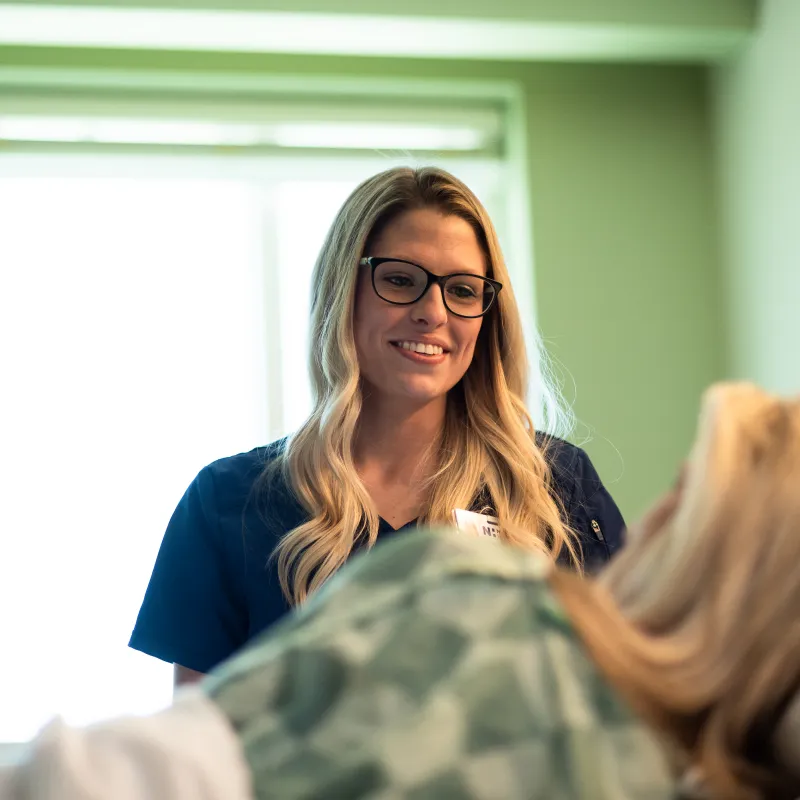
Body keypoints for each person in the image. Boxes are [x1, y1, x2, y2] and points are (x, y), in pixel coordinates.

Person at [4, 382, 799, 800]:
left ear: (728, 562)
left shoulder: (478, 584)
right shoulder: (232, 497)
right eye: (400, 280)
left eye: (690, 495)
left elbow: (173, 773)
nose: (658, 508)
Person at [129, 165, 626, 687]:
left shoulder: (554, 486)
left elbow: (620, 708)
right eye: (399, 280)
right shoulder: (229, 500)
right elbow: (199, 740)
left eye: (461, 289)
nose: (432, 312)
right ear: (344, 292)